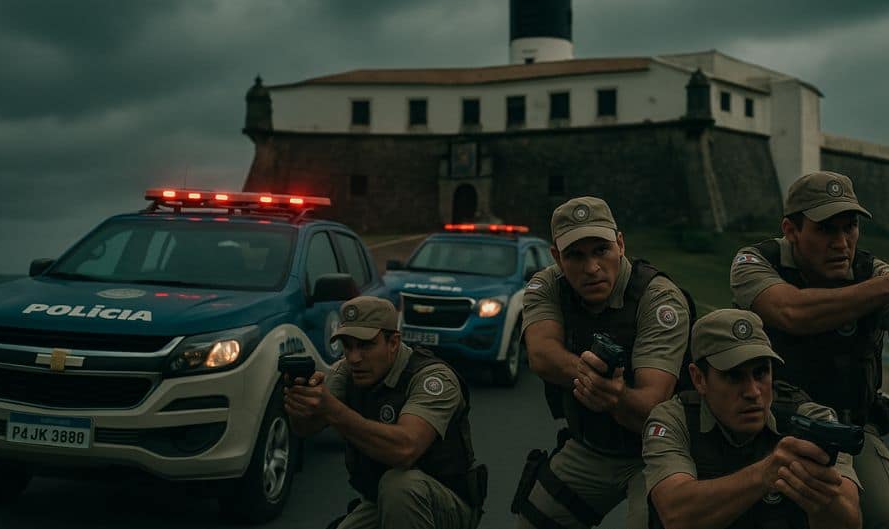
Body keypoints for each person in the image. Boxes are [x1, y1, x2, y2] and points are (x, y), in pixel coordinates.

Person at [731, 171, 889, 529]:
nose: (841, 242)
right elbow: (792, 312)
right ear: (791, 230)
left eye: (850, 227)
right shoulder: (756, 262)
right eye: (826, 229)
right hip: (766, 425)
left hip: (847, 428)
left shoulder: (874, 274)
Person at [513, 196, 693, 529]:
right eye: (575, 255)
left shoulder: (658, 298)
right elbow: (541, 355)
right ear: (557, 257)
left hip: (658, 450)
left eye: (601, 250)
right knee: (532, 522)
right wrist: (593, 379)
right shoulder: (546, 284)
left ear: (620, 244)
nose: (592, 268)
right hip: (591, 447)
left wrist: (611, 394)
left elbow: (652, 405)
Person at [644, 309, 862, 529]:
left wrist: (818, 490)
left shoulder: (810, 420)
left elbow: (850, 522)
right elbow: (675, 515)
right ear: (699, 379)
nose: (753, 392)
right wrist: (765, 473)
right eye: (733, 376)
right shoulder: (674, 419)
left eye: (760, 373)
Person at [284, 296, 486, 529]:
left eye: (365, 345)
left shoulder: (432, 379)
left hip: (445, 504)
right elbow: (307, 428)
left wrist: (333, 410)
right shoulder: (346, 371)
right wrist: (300, 403)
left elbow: (405, 449)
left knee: (399, 484)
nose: (354, 357)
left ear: (393, 343)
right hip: (381, 499)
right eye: (348, 346)